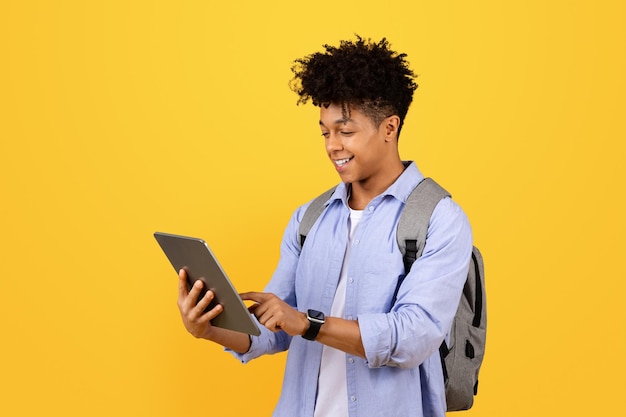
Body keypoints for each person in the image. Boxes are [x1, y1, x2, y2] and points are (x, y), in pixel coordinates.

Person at [177, 36, 473, 417]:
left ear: (390, 127)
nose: (332, 145)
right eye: (324, 132)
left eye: (346, 131)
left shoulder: (439, 219)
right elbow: (273, 329)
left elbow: (413, 337)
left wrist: (307, 323)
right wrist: (208, 328)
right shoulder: (309, 218)